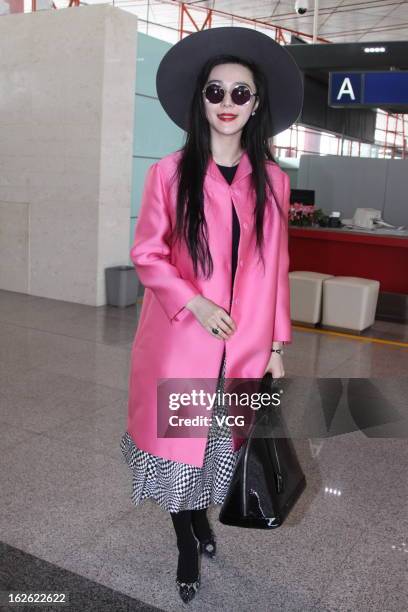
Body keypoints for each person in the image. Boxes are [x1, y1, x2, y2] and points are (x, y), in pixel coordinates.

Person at [120, 26, 303, 603]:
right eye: (216, 92)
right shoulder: (170, 173)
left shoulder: (273, 181)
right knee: (180, 450)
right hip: (180, 340)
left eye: (240, 94)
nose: (227, 104)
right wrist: (192, 300)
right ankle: (184, 539)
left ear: (256, 106)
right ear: (201, 100)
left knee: (220, 445)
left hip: (245, 348)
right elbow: (147, 253)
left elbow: (276, 267)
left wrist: (275, 346)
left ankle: (203, 519)